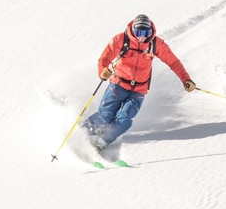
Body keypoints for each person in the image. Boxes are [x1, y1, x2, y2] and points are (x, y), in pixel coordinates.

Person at [82, 14, 195, 151]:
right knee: (105, 115)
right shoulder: (121, 39)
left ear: (150, 32)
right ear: (133, 30)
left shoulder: (155, 44)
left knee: (124, 120)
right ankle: (82, 134)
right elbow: (104, 58)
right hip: (118, 85)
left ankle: (101, 142)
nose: (141, 37)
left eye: (145, 33)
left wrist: (186, 79)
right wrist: (103, 71)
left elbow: (173, 62)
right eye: (138, 32)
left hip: (138, 90)